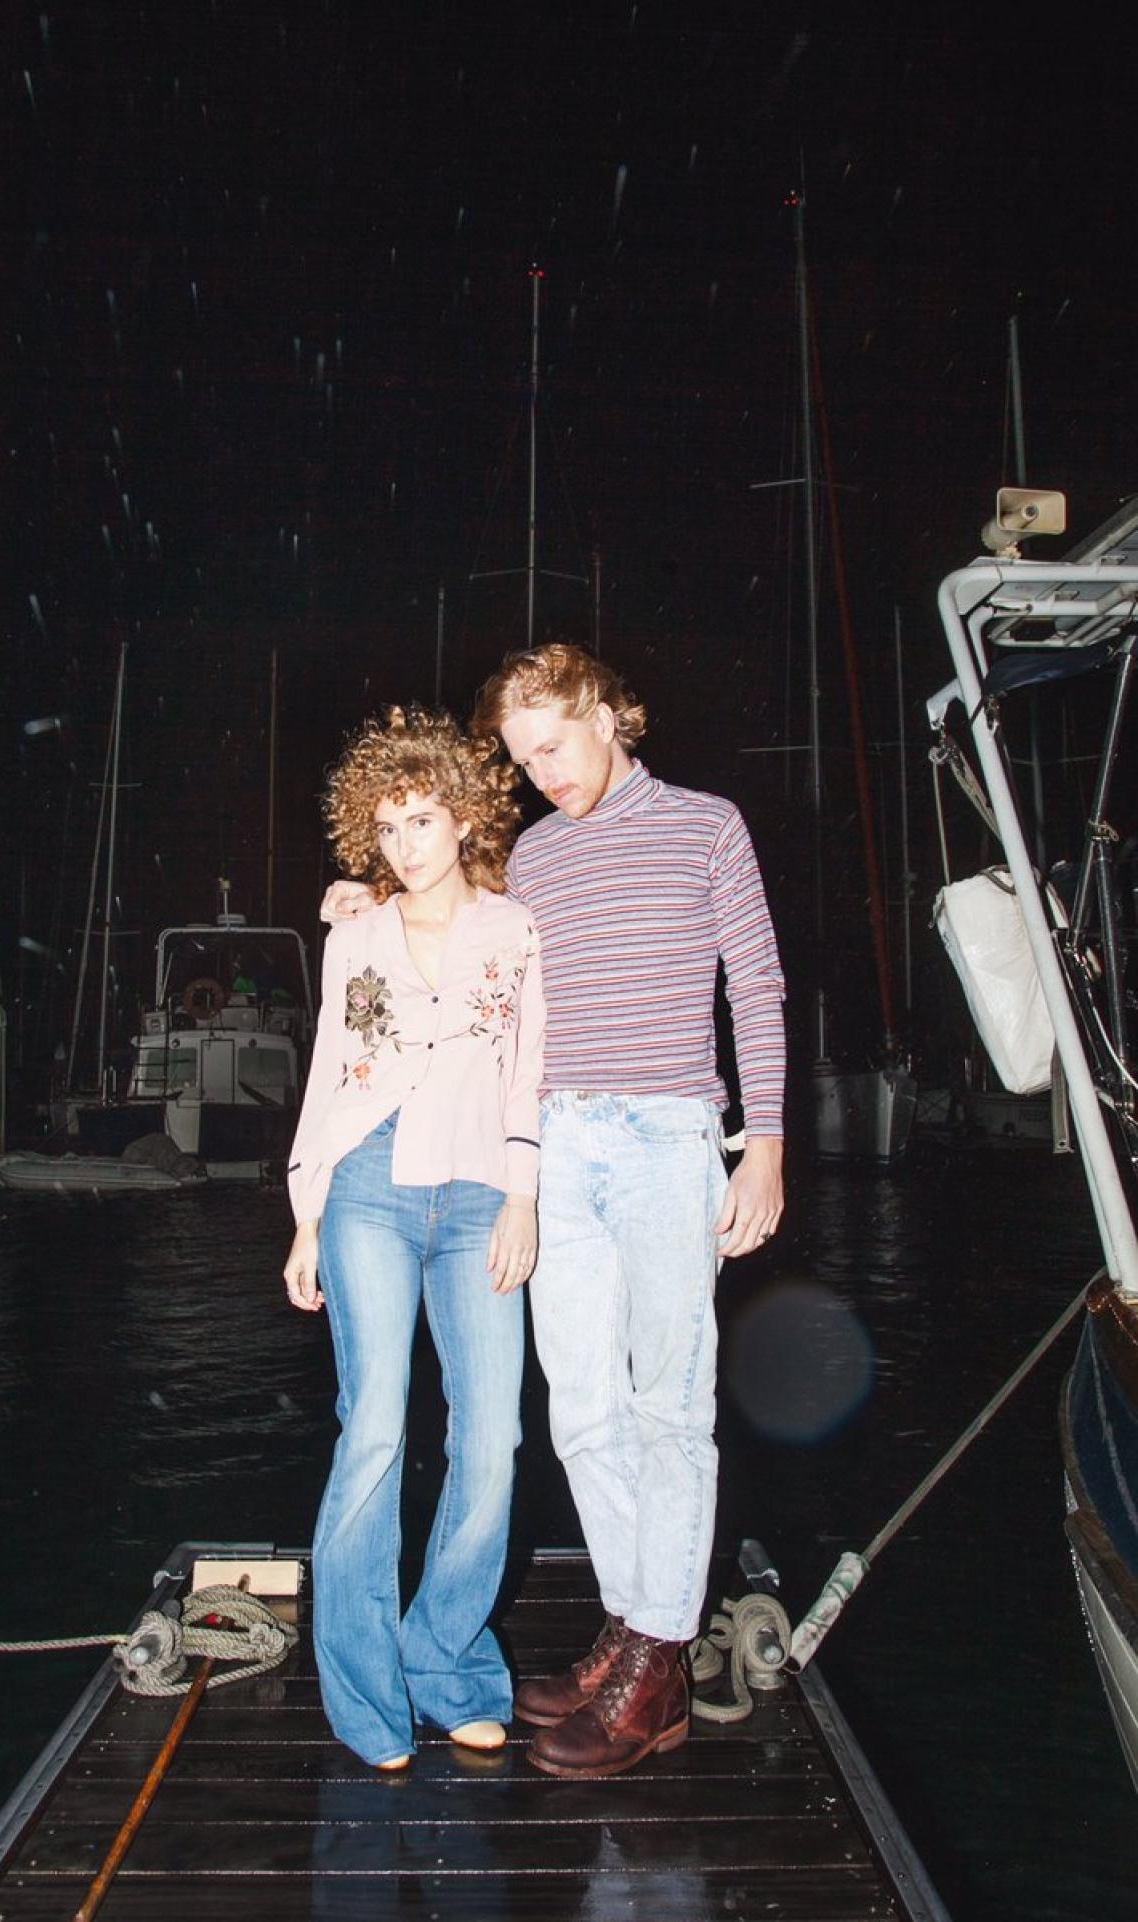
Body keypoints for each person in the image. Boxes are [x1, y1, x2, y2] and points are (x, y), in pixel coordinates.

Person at [324, 644, 784, 1780]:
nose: (542, 774)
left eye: (552, 746)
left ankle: (657, 1660)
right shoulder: (531, 854)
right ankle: (633, 1628)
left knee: (668, 1404)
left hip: (671, 1139)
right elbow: (456, 919)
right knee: (579, 1409)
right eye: (523, 761)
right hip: (554, 1144)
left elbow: (756, 983)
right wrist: (370, 896)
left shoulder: (708, 827)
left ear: (606, 714)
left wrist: (764, 1145)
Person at [283, 705, 545, 1772]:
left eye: (422, 821)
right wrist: (305, 1215)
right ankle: (362, 1691)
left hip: (481, 1191)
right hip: (367, 1188)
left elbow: (527, 1071)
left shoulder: (516, 930)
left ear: (464, 815)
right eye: (386, 829)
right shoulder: (354, 934)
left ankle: (444, 1659)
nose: (404, 845)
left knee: (492, 1438)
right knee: (376, 1428)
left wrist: (524, 1197)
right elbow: (328, 1076)